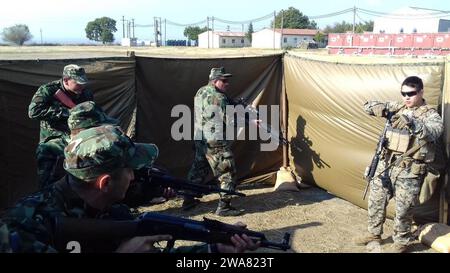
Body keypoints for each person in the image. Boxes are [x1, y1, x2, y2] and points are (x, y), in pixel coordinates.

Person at [0, 124, 259, 253]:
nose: (135, 177)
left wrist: (215, 247)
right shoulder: (24, 227)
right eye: (129, 170)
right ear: (105, 183)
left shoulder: (112, 213)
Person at [355, 76, 443, 253]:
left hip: (409, 169)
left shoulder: (431, 115)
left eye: (411, 93)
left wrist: (412, 122)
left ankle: (401, 242)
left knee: (403, 209)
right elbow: (367, 105)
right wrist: (375, 108)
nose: (406, 97)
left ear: (421, 92)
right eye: (403, 93)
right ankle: (374, 233)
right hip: (386, 165)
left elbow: (434, 132)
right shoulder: (398, 107)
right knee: (376, 201)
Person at [184, 67, 243, 217]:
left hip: (200, 138)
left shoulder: (201, 91)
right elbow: (230, 121)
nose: (227, 83)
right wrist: (249, 120)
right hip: (215, 140)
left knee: (199, 168)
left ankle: (188, 199)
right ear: (215, 81)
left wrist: (234, 105)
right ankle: (224, 207)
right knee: (227, 171)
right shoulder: (219, 97)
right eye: (224, 80)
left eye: (227, 80)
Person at [28, 64, 94, 189]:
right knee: (47, 182)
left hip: (77, 140)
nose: (81, 86)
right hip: (53, 141)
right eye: (78, 83)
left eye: (83, 83)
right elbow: (33, 112)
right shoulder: (48, 90)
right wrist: (66, 112)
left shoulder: (86, 93)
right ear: (66, 80)